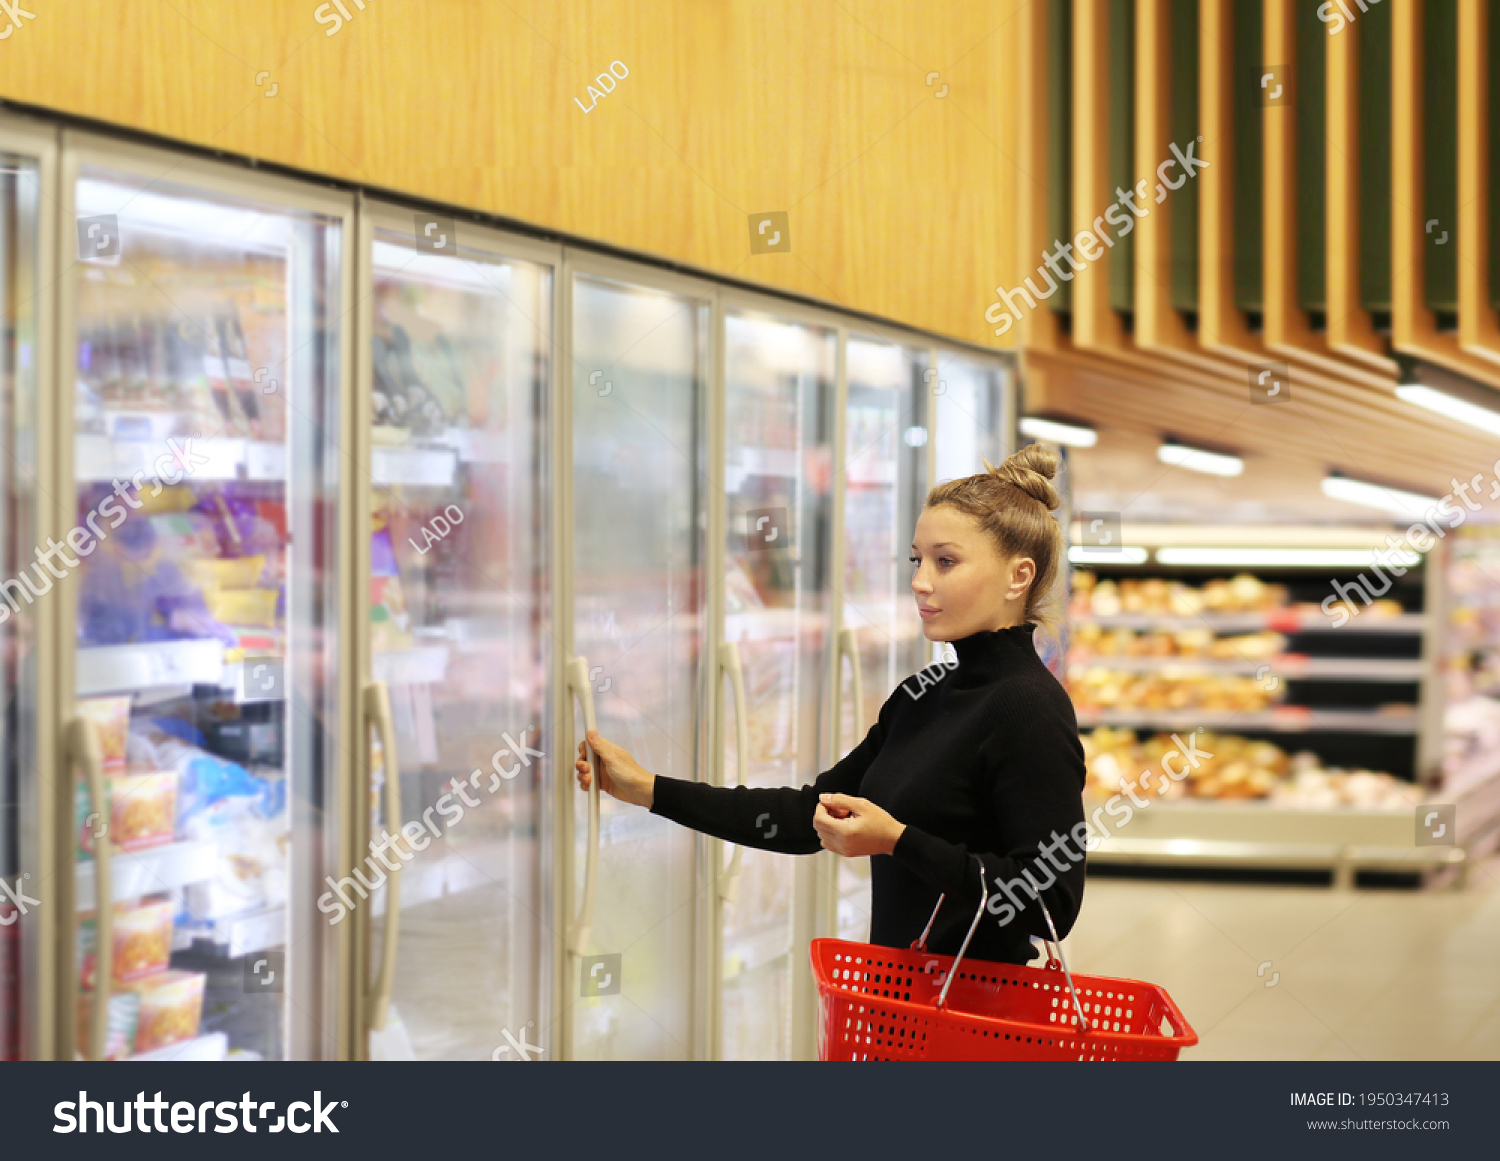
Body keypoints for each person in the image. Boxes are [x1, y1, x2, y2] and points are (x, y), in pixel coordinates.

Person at [574, 444, 1087, 965]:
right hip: (899, 1012)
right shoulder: (922, 696)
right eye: (917, 559)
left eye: (945, 561)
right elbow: (806, 816)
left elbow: (1052, 900)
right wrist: (648, 790)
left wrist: (898, 841)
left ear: (1018, 576)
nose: (919, 581)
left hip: (976, 1024)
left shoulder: (1030, 709)